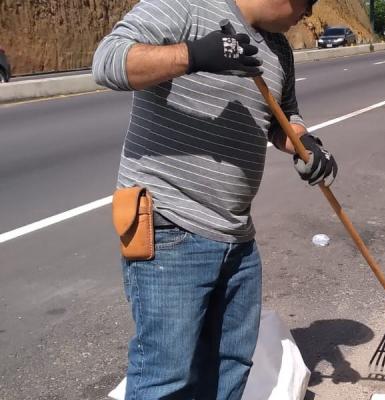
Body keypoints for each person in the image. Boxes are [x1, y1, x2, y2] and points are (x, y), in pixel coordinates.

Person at [91, 0, 337, 398]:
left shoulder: (279, 49)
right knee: (167, 377)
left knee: (231, 367)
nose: (307, 14)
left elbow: (282, 116)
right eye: (307, 4)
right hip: (171, 225)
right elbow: (108, 61)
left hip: (237, 236)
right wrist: (195, 55)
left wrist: (304, 143)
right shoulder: (185, 6)